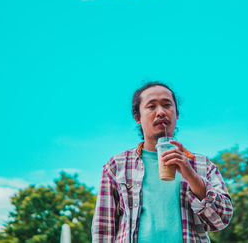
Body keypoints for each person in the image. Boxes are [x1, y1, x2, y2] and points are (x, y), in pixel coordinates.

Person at [92, 81, 233, 243]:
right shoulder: (116, 166)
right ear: (137, 117)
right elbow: (103, 229)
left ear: (176, 114)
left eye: (167, 105)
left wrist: (191, 175)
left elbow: (222, 219)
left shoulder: (202, 165)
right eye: (151, 106)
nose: (160, 112)